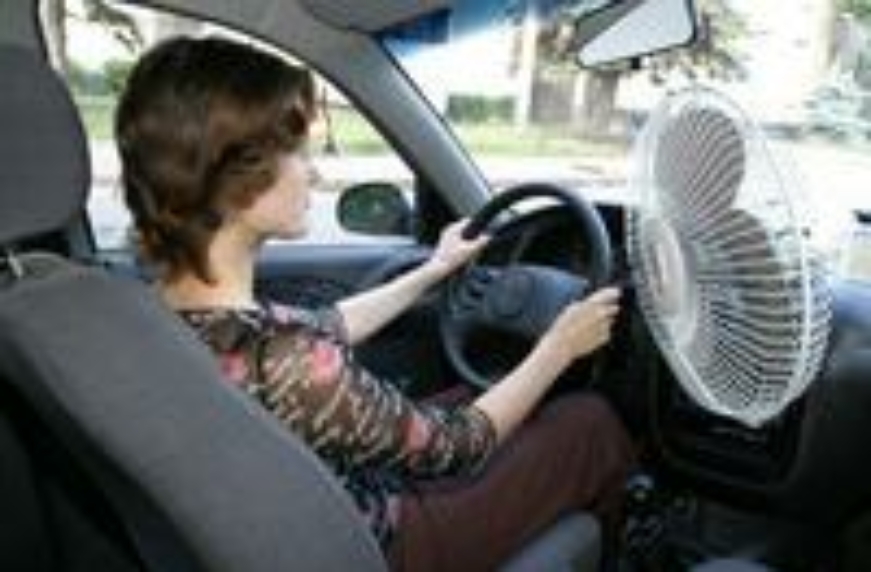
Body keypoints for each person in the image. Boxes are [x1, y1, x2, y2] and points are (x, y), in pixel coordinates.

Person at [116, 35, 635, 572]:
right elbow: (457, 446)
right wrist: (558, 348)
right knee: (590, 421)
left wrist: (434, 269)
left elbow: (327, 325)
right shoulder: (288, 362)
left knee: (478, 389)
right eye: (299, 153)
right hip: (380, 542)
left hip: (303, 510)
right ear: (238, 178)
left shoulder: (160, 312)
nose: (314, 172)